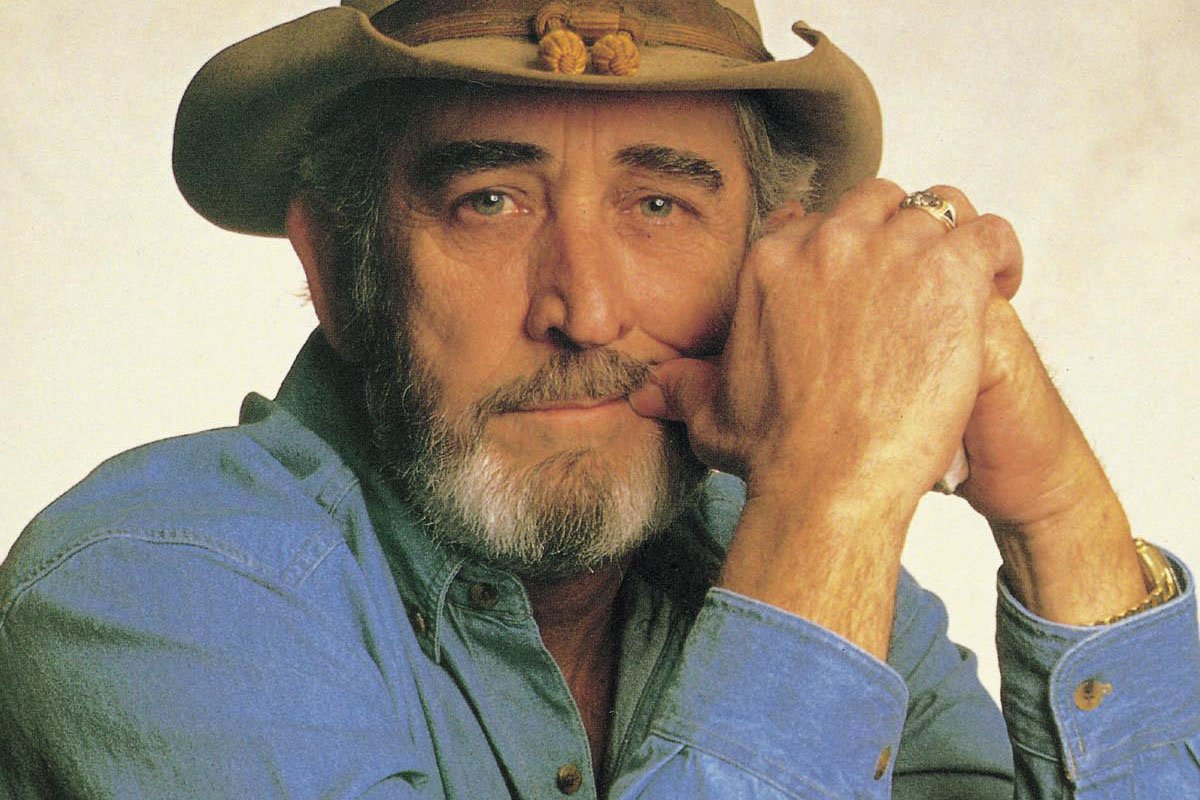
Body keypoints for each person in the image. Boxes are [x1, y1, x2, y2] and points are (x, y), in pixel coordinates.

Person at [2, 1, 1197, 797]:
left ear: (767, 270)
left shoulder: (793, 563)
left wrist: (1059, 514)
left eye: (659, 205)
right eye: (489, 202)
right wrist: (832, 498)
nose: (581, 307)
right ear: (339, 269)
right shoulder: (149, 587)